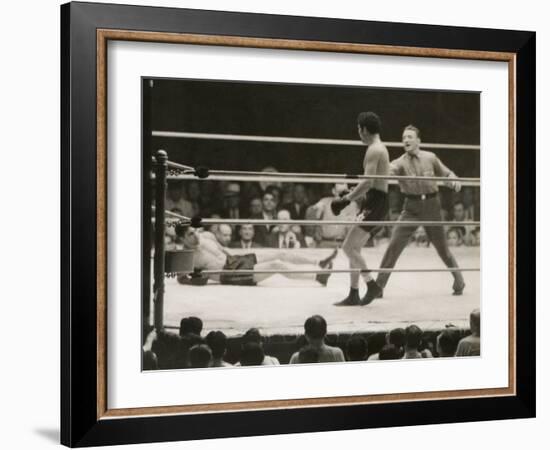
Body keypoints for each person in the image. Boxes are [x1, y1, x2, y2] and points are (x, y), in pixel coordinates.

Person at [367, 125, 466, 304]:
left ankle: (459, 281)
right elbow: (386, 172)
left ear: (418, 140)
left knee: (442, 248)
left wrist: (454, 180)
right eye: (404, 137)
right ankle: (379, 287)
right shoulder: (399, 162)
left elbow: (446, 173)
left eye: (410, 137)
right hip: (411, 207)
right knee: (394, 246)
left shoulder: (431, 157)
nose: (406, 140)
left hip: (432, 206)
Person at [331, 112, 390, 306]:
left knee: (348, 247)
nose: (359, 134)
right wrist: (352, 193)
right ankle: (354, 293)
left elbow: (367, 182)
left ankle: (371, 285)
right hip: (374, 201)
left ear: (364, 129)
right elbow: (371, 185)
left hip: (375, 204)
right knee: (353, 248)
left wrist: (347, 199)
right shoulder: (378, 148)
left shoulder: (375, 149)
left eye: (358, 129)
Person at [175, 225, 337, 286]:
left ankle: (319, 262)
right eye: (190, 234)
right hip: (229, 274)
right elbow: (181, 279)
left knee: (280, 252)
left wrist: (237, 257)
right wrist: (203, 278)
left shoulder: (207, 235)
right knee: (276, 265)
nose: (196, 235)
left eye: (195, 230)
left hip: (234, 261)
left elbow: (222, 249)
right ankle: (317, 277)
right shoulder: (185, 255)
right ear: (182, 238)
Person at [308, 183, 359, 248]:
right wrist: (316, 212)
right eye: (339, 192)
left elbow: (353, 226)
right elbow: (310, 212)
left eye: (344, 192)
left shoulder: (352, 205)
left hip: (343, 244)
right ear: (333, 191)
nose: (342, 195)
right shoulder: (325, 201)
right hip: (325, 243)